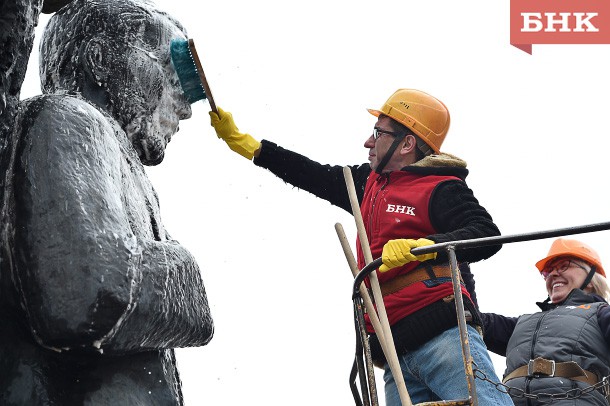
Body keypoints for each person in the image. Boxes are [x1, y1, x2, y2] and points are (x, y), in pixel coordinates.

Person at [209, 89, 513, 404]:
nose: (369, 142)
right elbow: (310, 174)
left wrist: (424, 245)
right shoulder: (367, 183)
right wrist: (252, 147)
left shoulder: (440, 187)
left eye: (378, 133)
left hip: (443, 333)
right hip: (393, 348)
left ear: (406, 144)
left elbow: (486, 234)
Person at [0, 0, 213, 404]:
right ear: (101, 58)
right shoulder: (70, 120)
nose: (184, 107)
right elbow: (86, 295)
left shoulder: (122, 162)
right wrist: (186, 277)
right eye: (169, 71)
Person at [469, 238, 610, 405]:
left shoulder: (601, 312)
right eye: (547, 272)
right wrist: (460, 259)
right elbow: (471, 316)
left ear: (591, 275)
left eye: (564, 265)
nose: (553, 274)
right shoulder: (523, 322)